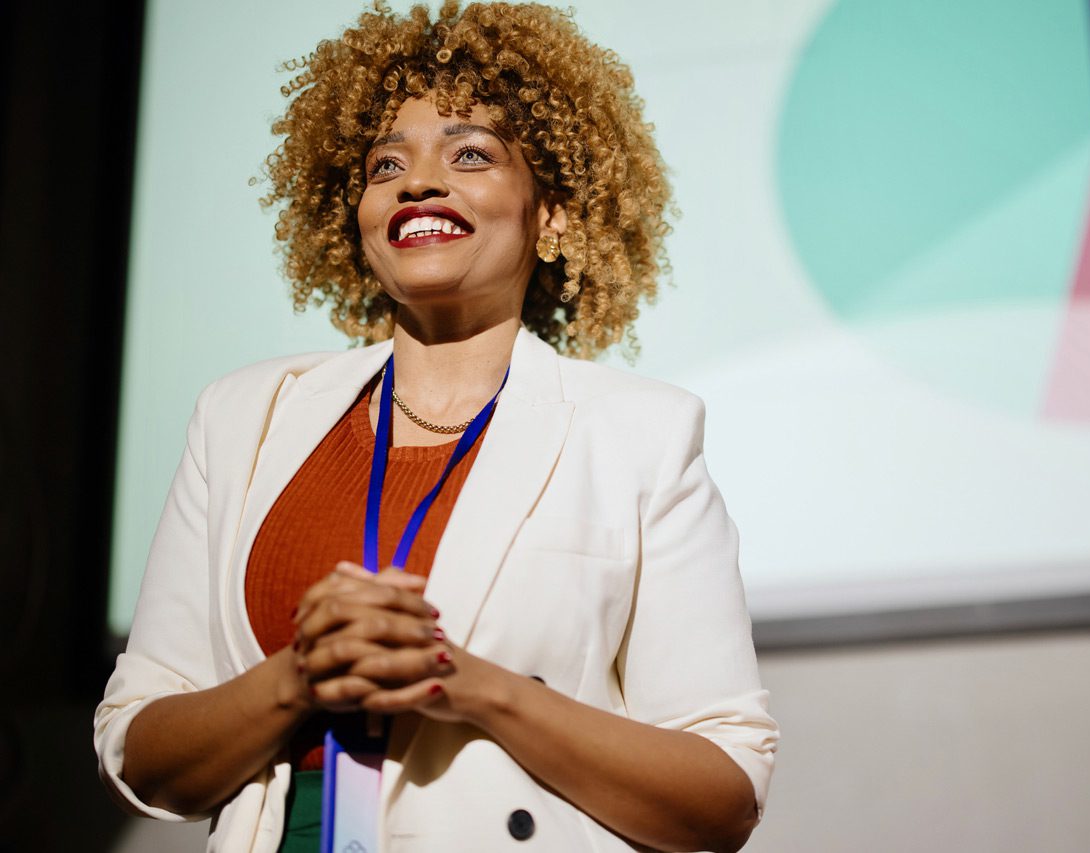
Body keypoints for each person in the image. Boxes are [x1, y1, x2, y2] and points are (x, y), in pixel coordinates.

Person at [94, 2, 778, 850]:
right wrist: (299, 677)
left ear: (552, 213)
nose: (418, 181)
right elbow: (138, 751)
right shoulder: (241, 416)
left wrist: (473, 685)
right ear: (358, 218)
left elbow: (721, 795)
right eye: (386, 164)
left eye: (471, 153)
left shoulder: (645, 435)